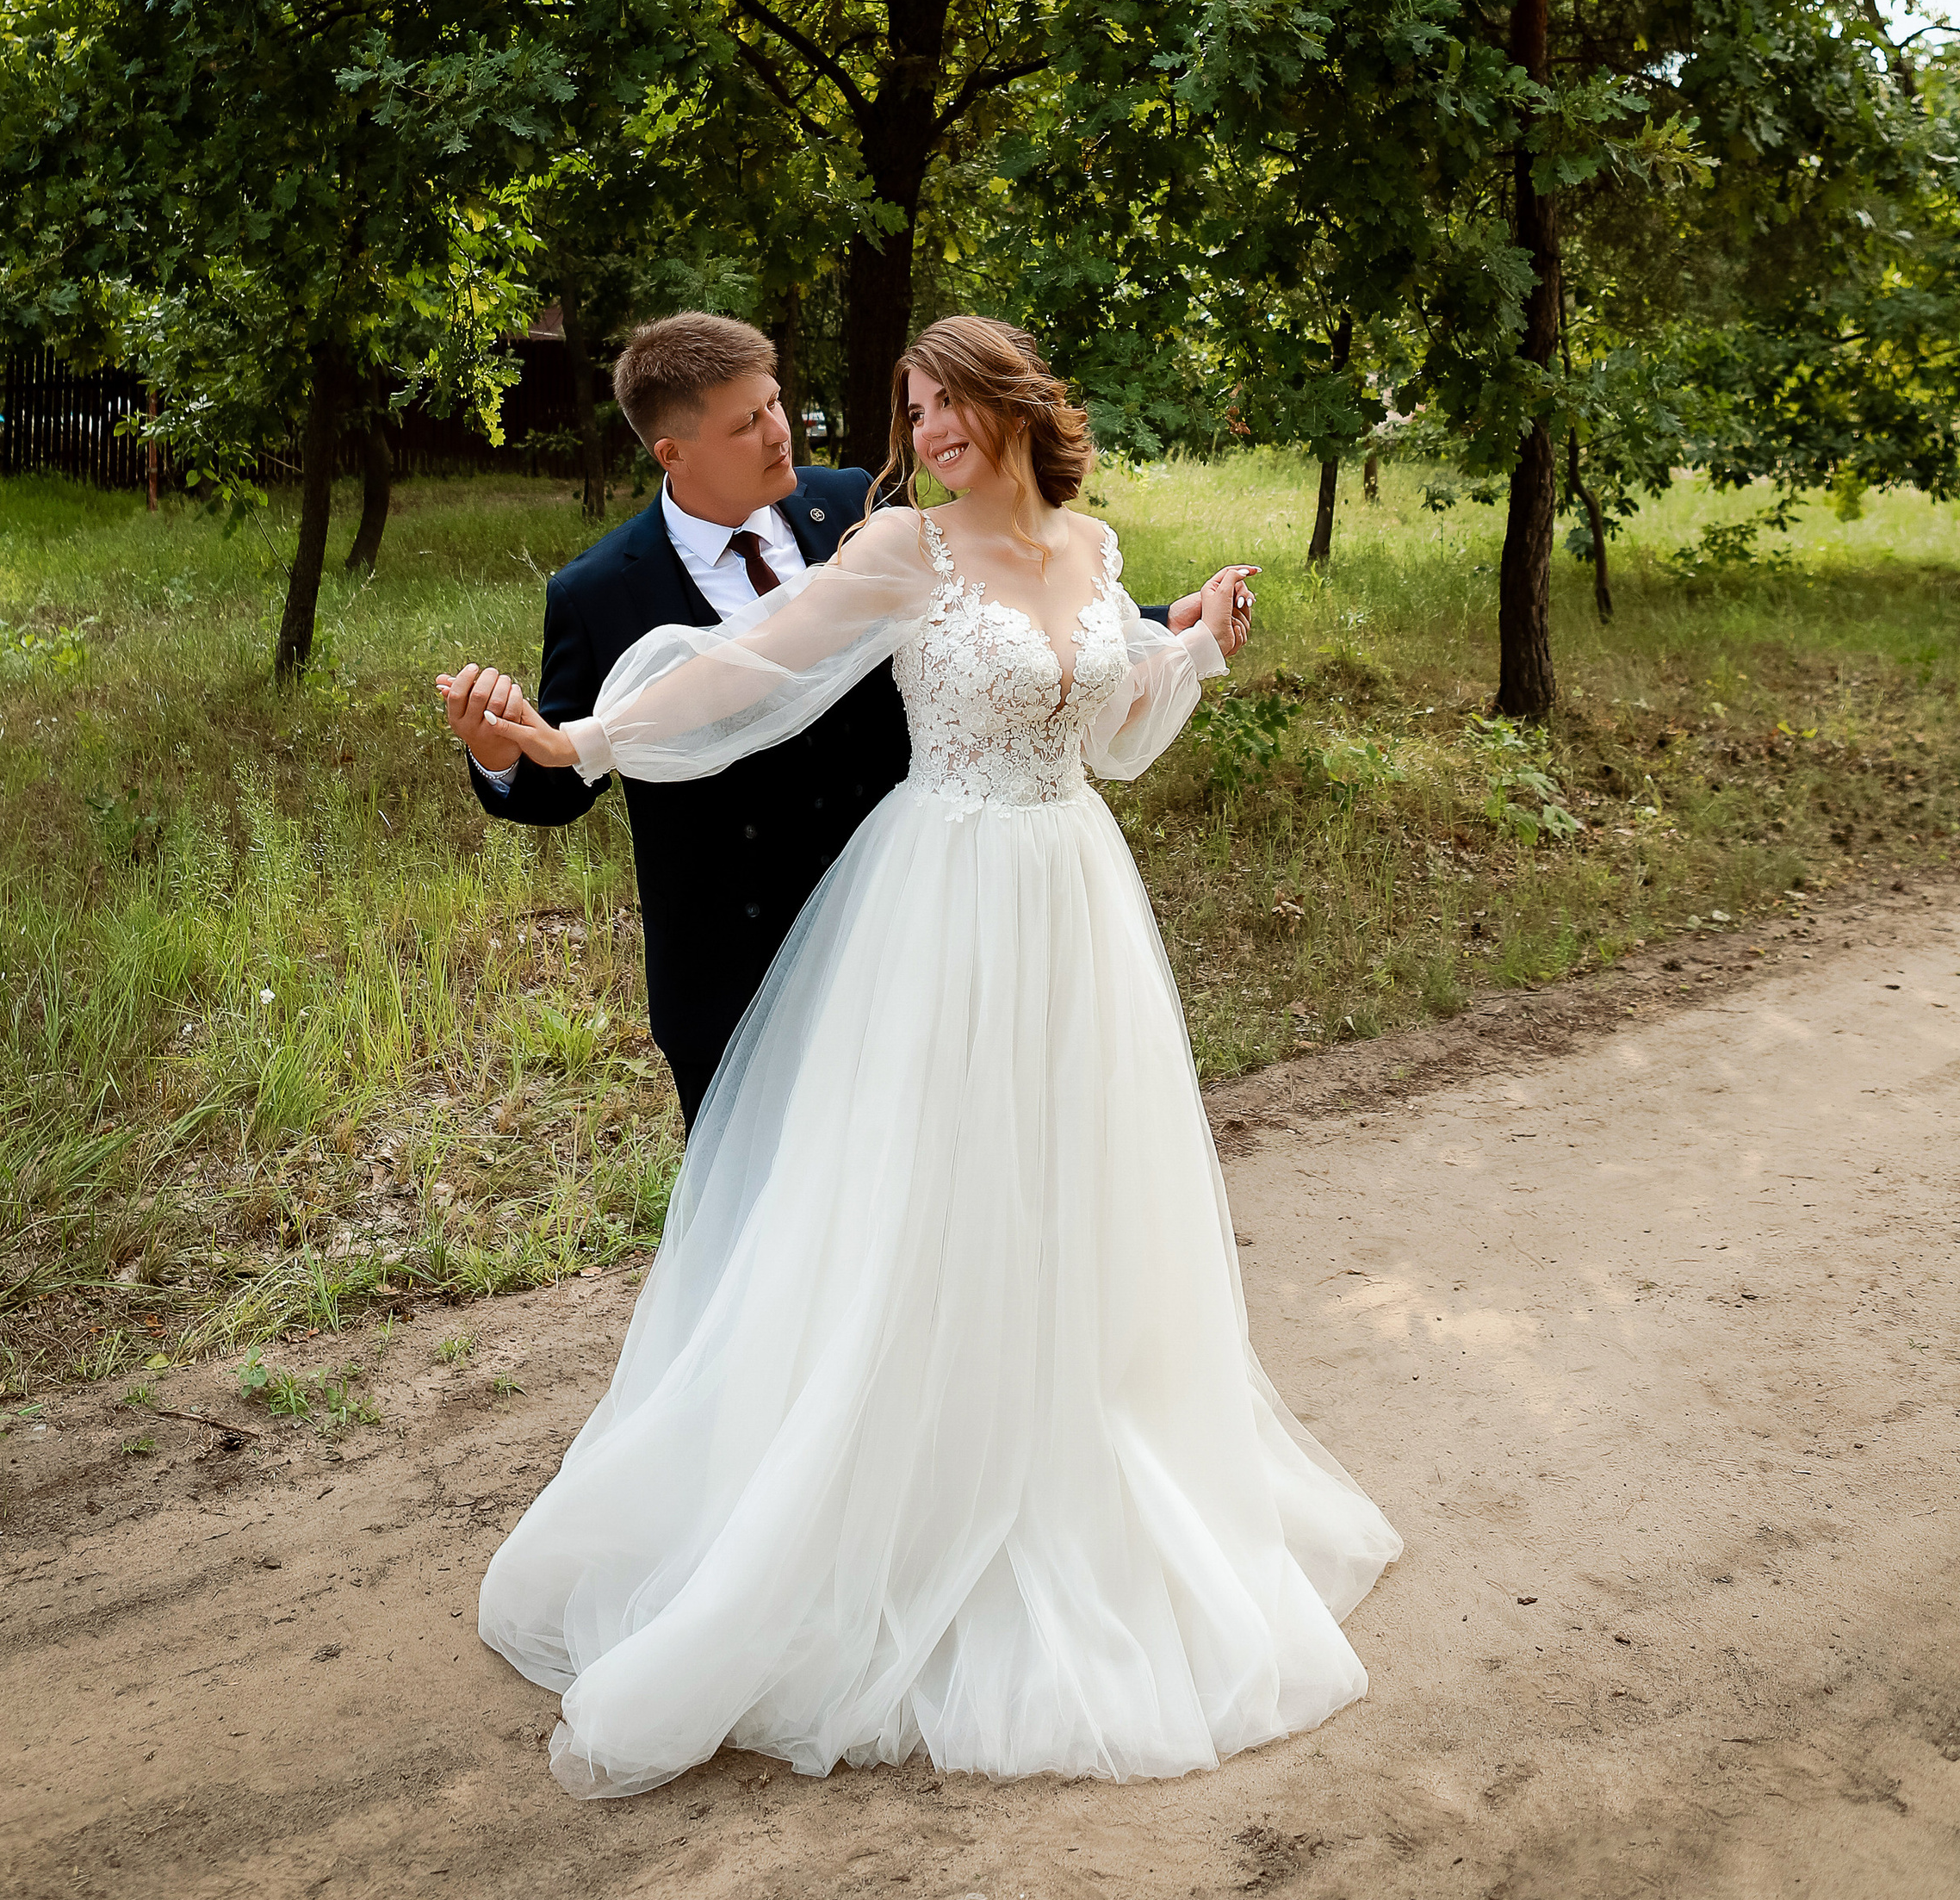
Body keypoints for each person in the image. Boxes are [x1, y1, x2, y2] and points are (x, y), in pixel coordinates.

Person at [439, 315, 1400, 1800]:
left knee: (1066, 1195)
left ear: (1012, 401)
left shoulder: (1095, 544)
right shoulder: (898, 549)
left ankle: (1062, 1465)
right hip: (934, 908)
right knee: (916, 1209)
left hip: (1073, 902)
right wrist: (578, 739)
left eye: (949, 398)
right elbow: (747, 663)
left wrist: (1193, 635)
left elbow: (1122, 710)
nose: (929, 424)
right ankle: (886, 1499)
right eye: (912, 404)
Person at [438, 312, 1196, 1128]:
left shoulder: (858, 505)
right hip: (734, 959)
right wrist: (514, 756)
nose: (778, 432)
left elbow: (998, 607)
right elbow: (680, 703)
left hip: (911, 923)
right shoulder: (596, 593)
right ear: (675, 454)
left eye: (774, 404)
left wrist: (1162, 623)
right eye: (747, 422)